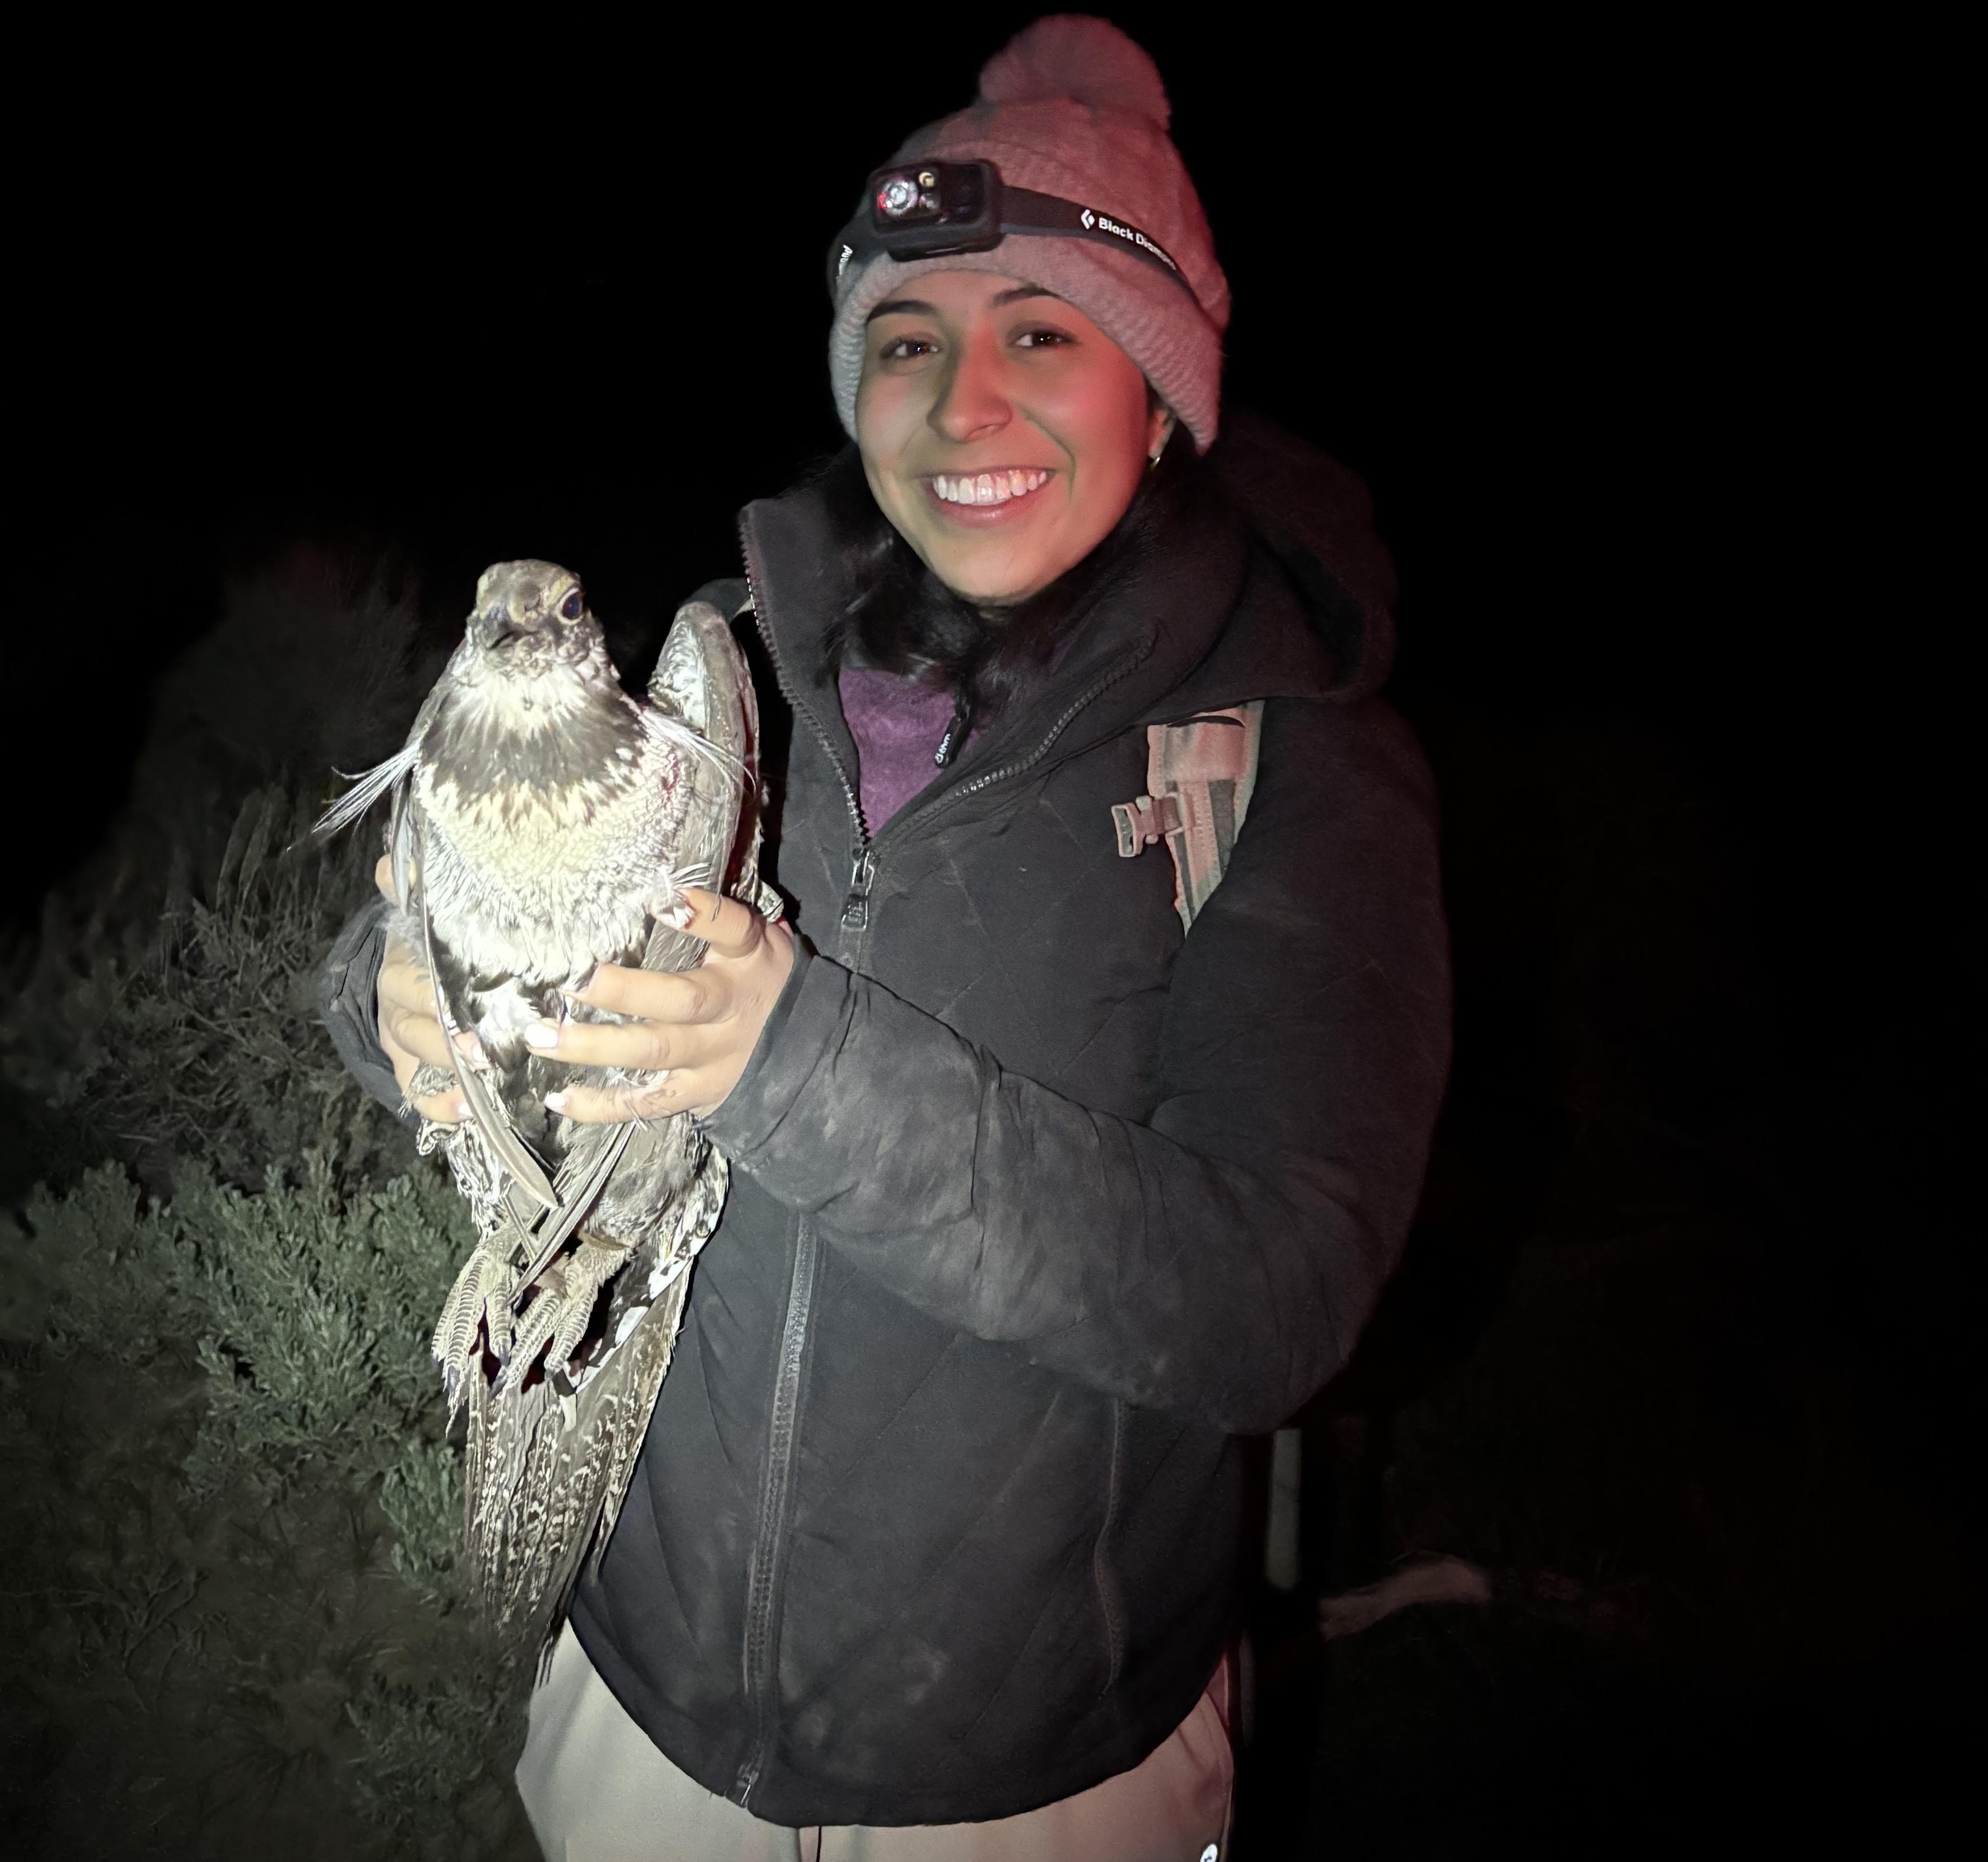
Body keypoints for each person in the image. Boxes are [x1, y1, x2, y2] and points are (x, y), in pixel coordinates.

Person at [321, 17, 1448, 1859]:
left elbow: (1278, 1294)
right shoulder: (721, 665)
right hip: (641, 1706)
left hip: (1030, 1774)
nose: (962, 402)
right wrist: (399, 992)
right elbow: (444, 919)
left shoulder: (1288, 758)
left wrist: (803, 1064)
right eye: (908, 341)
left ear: (1159, 395)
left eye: (1044, 336)